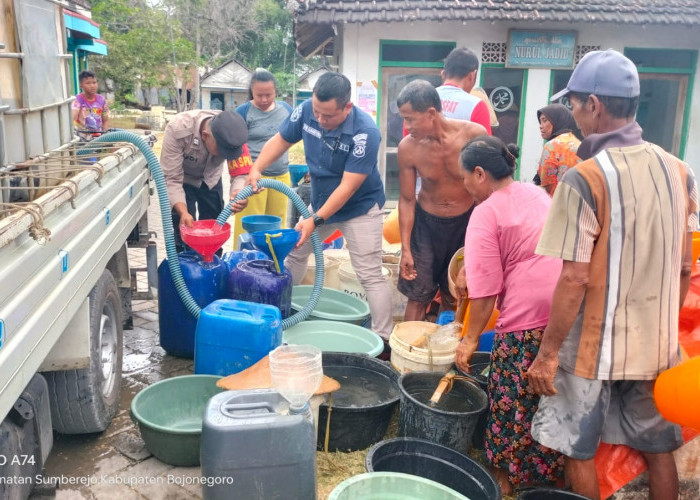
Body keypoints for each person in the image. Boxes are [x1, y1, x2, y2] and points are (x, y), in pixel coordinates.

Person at [526, 50, 699, 500]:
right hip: (657, 344)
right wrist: (663, 324)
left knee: (578, 449)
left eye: (577, 104)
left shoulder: (584, 179)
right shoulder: (681, 171)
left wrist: (546, 355)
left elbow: (574, 279)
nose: (577, 114)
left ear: (595, 105)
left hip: (591, 348)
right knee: (659, 449)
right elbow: (686, 265)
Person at [453, 135, 565, 494]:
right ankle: (544, 473)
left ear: (481, 174)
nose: (465, 185)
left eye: (466, 177)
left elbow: (484, 294)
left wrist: (469, 340)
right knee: (548, 394)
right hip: (565, 307)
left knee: (511, 393)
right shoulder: (535, 193)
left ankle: (506, 476)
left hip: (526, 314)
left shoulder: (486, 211)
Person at [246, 72, 393, 340]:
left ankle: (383, 337)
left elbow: (348, 188)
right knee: (296, 252)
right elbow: (281, 140)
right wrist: (257, 168)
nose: (321, 120)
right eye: (317, 112)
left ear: (347, 107)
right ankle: (282, 313)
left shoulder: (365, 133)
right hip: (322, 200)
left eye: (328, 116)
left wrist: (314, 219)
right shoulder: (305, 111)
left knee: (369, 273)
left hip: (360, 208)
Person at [396, 80, 486, 320]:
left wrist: (482, 237)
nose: (406, 126)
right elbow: (406, 200)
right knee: (417, 295)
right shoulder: (408, 148)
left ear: (431, 113)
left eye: (411, 119)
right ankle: (405, 354)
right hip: (426, 226)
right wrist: (406, 249)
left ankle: (446, 354)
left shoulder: (474, 135)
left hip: (464, 224)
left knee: (455, 293)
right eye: (403, 119)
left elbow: (488, 191)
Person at [160, 109, 249, 252]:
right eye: (222, 152)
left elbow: (240, 173)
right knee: (183, 230)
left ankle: (212, 266)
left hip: (211, 179)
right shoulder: (178, 129)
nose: (225, 155)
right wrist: (183, 212)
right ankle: (183, 268)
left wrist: (238, 193)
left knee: (215, 228)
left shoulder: (234, 131)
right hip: (183, 180)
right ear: (205, 135)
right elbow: (171, 179)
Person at [233, 69, 294, 244]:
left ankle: (272, 261)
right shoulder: (243, 112)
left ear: (276, 91)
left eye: (269, 94)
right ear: (252, 92)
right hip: (253, 178)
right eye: (259, 95)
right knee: (250, 223)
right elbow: (235, 147)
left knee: (276, 224)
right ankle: (242, 260)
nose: (264, 99)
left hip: (281, 176)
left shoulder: (286, 110)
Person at [437, 47, 492, 134]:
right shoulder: (476, 106)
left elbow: (407, 141)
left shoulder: (422, 99)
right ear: (472, 76)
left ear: (443, 74)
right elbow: (485, 146)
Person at [534, 103, 581, 196]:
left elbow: (547, 185)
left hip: (557, 204)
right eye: (540, 121)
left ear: (557, 120)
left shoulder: (552, 146)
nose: (541, 126)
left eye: (545, 120)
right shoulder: (580, 144)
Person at [72, 70, 109, 139]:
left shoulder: (101, 100)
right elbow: (72, 116)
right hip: (81, 137)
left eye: (94, 82)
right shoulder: (78, 99)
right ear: (81, 85)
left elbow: (105, 120)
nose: (92, 86)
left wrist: (105, 135)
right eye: (88, 83)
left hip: (98, 137)